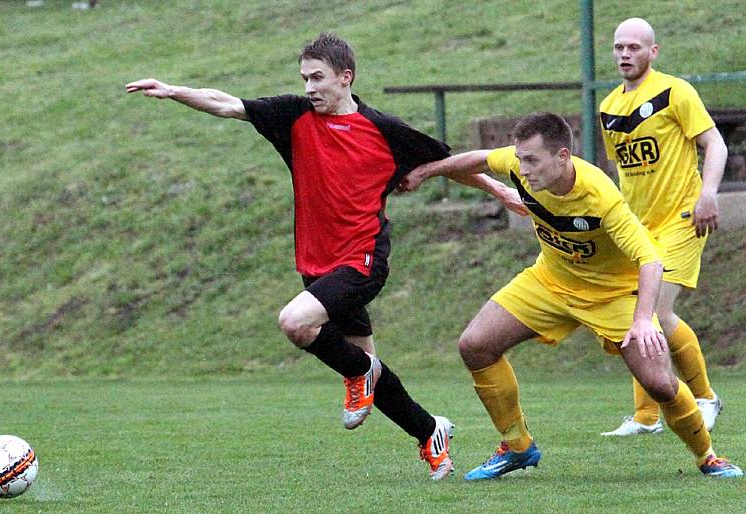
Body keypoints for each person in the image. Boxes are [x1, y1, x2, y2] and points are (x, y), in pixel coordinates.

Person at [126, 33, 524, 480]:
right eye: (304, 78)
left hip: (362, 259)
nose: (310, 87)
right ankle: (430, 431)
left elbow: (448, 164)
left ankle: (361, 377)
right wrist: (173, 90)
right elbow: (225, 103)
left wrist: (499, 190)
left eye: (318, 78)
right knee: (372, 373)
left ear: (345, 77)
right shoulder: (291, 116)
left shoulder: (383, 130)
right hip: (315, 266)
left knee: (296, 324)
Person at [399, 112, 742, 479]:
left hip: (612, 293)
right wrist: (429, 172)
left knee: (659, 384)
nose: (523, 168)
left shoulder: (600, 197)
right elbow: (479, 158)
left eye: (532, 160)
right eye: (520, 158)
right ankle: (517, 447)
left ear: (562, 156)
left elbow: (650, 259)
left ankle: (708, 457)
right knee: (475, 345)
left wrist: (643, 320)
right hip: (551, 280)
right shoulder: (519, 166)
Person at [598, 18, 727, 437]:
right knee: (635, 315)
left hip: (683, 219)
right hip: (638, 231)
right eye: (619, 47)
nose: (624, 54)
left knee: (652, 312)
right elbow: (622, 172)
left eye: (634, 47)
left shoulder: (675, 91)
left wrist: (707, 194)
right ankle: (646, 416)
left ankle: (705, 397)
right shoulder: (609, 108)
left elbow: (715, 143)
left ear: (653, 52)